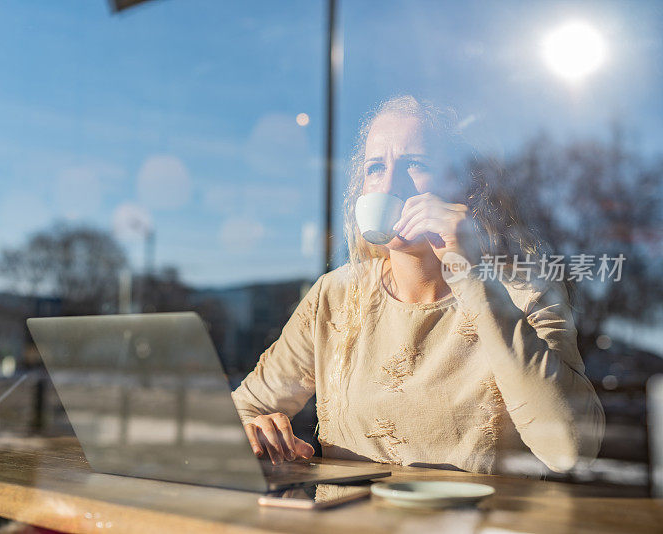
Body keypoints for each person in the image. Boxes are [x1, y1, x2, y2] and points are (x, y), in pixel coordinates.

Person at [231, 95, 605, 474]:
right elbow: (245, 410)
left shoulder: (524, 293)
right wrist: (254, 430)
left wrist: (469, 274)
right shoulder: (337, 294)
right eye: (375, 168)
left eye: (416, 164)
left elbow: (570, 449)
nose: (389, 186)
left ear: (467, 190)